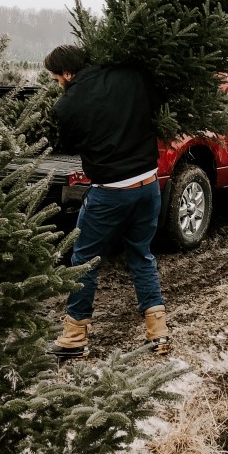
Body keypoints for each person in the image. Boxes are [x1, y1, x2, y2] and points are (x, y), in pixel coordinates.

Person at [43, 44, 170, 359]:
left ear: (68, 73)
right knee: (141, 254)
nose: (58, 84)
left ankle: (74, 338)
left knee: (85, 260)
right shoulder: (131, 75)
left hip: (110, 191)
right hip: (149, 185)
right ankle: (159, 333)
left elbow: (70, 143)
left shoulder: (67, 105)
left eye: (57, 78)